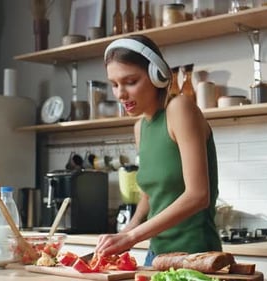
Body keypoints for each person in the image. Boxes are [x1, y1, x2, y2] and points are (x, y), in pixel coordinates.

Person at [94, 34, 221, 266]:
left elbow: (198, 196)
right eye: (114, 85)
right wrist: (126, 233)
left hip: (196, 257)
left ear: (157, 76)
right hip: (156, 257)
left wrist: (132, 236)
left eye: (130, 82)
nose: (120, 94)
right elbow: (150, 194)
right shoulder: (140, 127)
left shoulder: (180, 109)